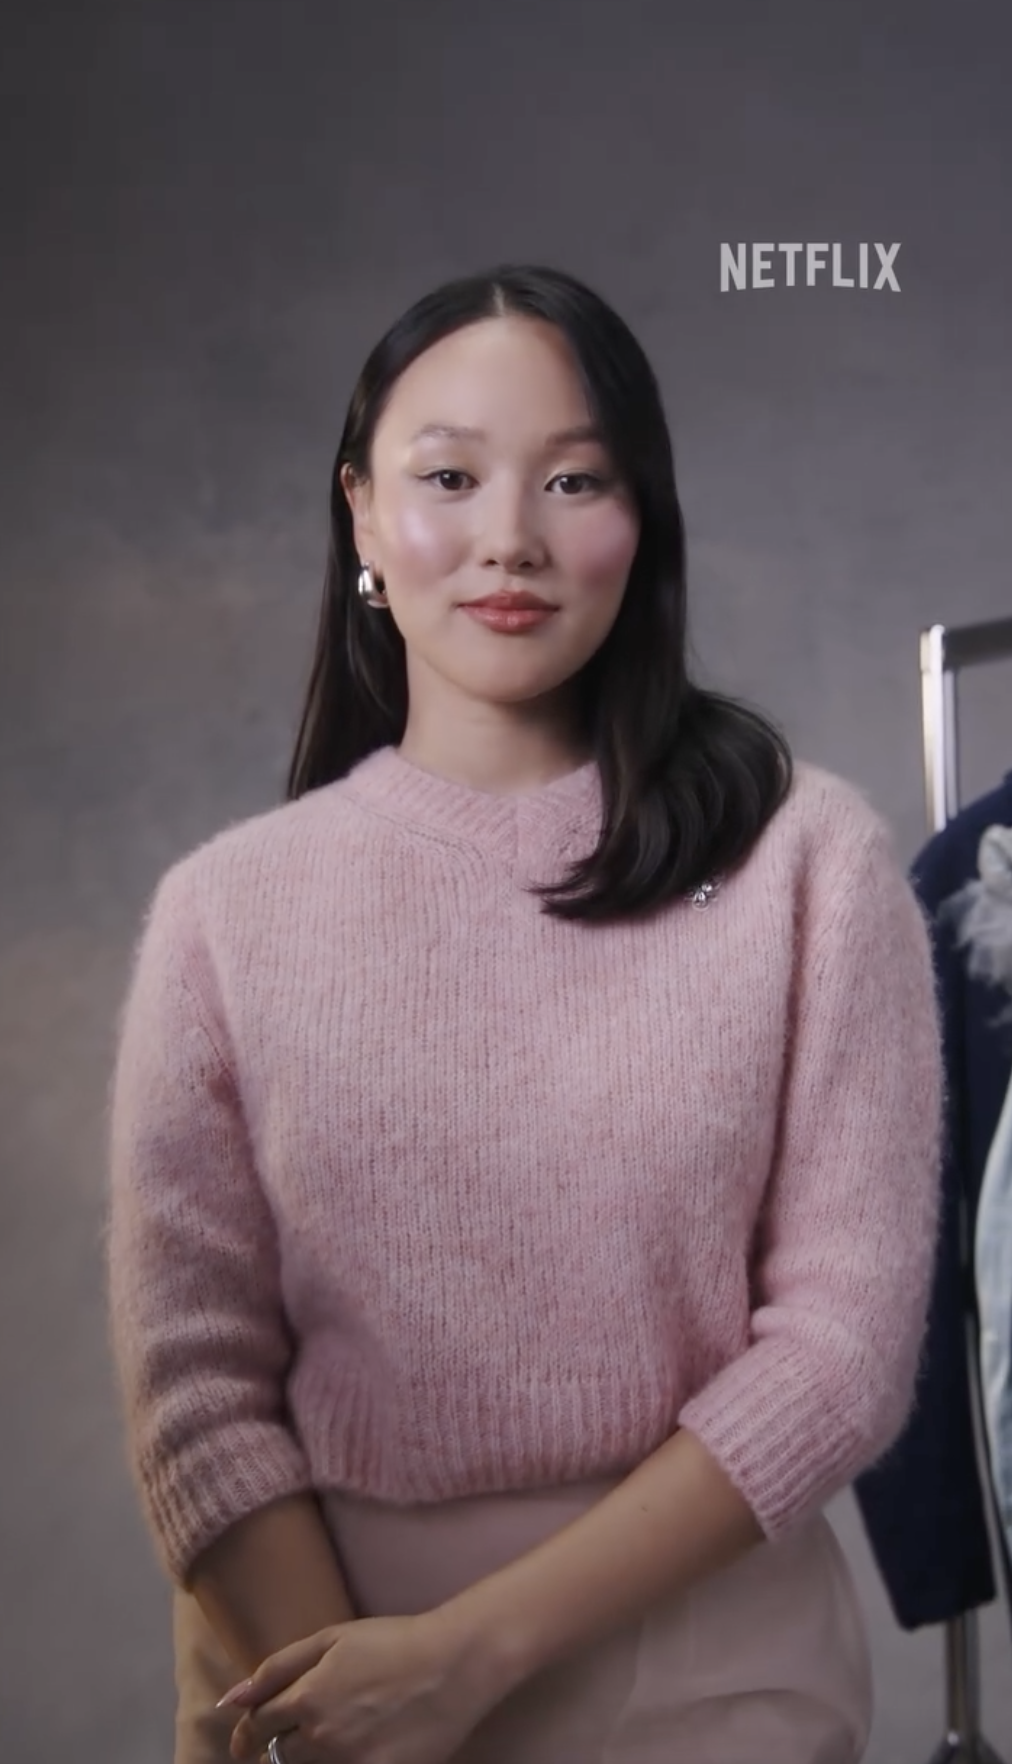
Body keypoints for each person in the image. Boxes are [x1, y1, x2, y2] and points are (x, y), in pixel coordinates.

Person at [106, 263, 943, 1764]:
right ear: (361, 514)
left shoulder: (808, 862)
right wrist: (342, 1699)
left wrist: (466, 1660)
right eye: (449, 477)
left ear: (644, 517)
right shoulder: (227, 912)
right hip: (300, 1675)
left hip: (705, 1675)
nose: (511, 540)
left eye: (575, 478)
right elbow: (193, 1376)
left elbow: (845, 1346)